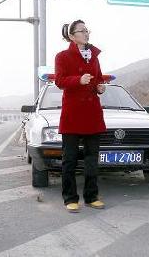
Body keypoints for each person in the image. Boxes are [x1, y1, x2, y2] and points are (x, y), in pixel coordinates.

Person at [55, 20, 107, 213]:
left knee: (92, 158)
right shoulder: (62, 56)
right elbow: (59, 81)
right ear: (71, 36)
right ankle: (70, 198)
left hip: (92, 113)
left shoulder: (94, 56)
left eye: (87, 30)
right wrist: (79, 79)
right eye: (82, 31)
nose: (86, 33)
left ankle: (91, 196)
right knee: (69, 159)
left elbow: (99, 78)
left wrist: (99, 87)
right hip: (72, 114)